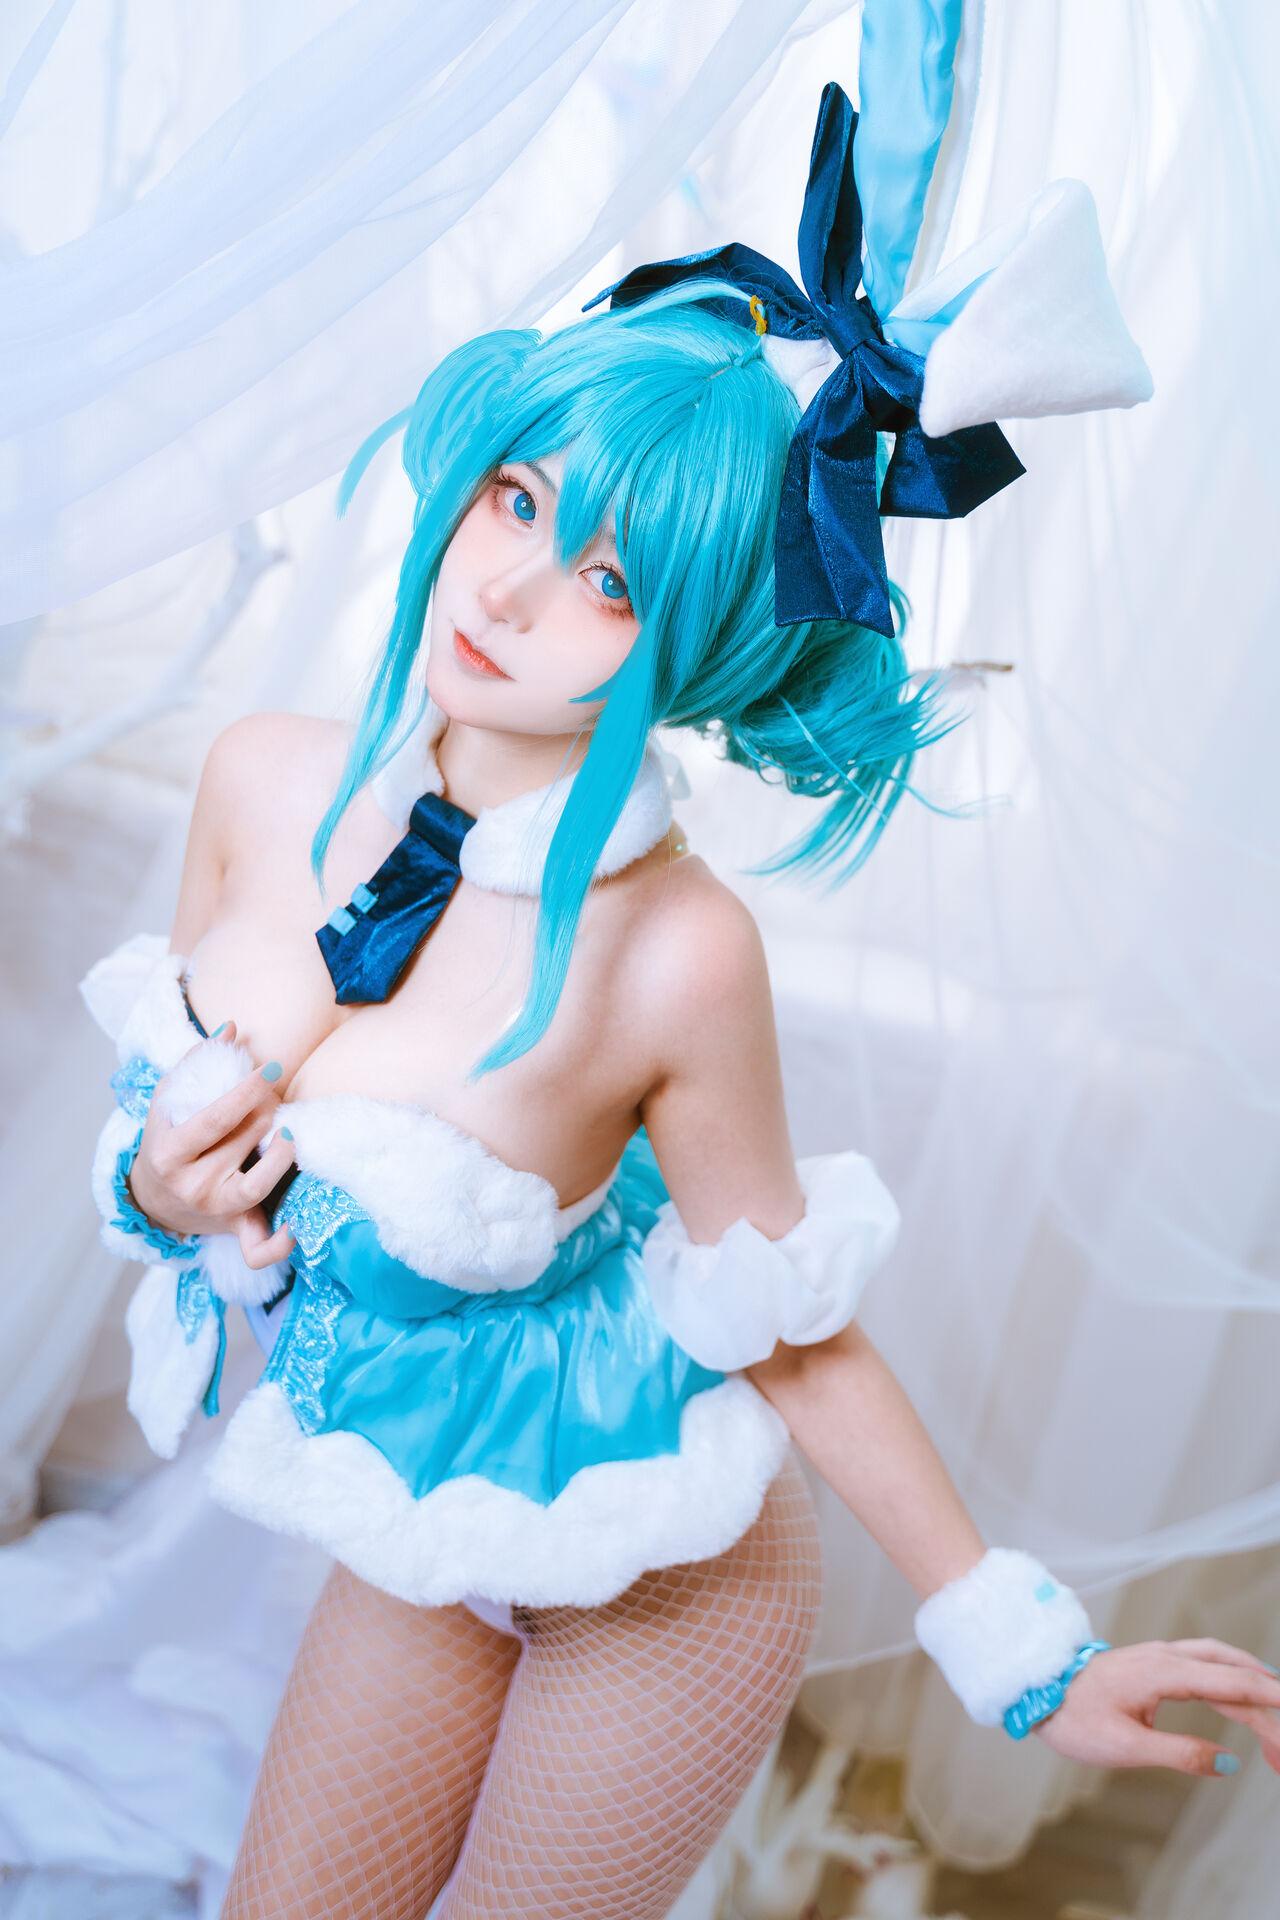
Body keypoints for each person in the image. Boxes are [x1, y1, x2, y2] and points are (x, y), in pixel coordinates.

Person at [79, 83, 1278, 1920]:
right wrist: (169, 1191)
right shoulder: (260, 782)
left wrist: (1027, 1657)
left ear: (698, 642)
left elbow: (788, 1329)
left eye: (611, 582)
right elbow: (194, 1195)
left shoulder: (674, 950)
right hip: (420, 1516)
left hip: (666, 1579)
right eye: (520, 498)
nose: (509, 589)